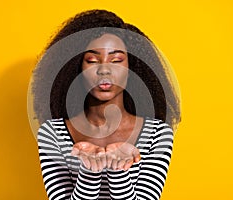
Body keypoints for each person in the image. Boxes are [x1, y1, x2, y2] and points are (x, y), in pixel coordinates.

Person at [32, 9, 181, 200]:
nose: (104, 69)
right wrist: (90, 171)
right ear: (76, 67)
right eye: (93, 61)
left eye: (117, 60)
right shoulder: (52, 133)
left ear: (132, 67)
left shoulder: (157, 134)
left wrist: (118, 170)